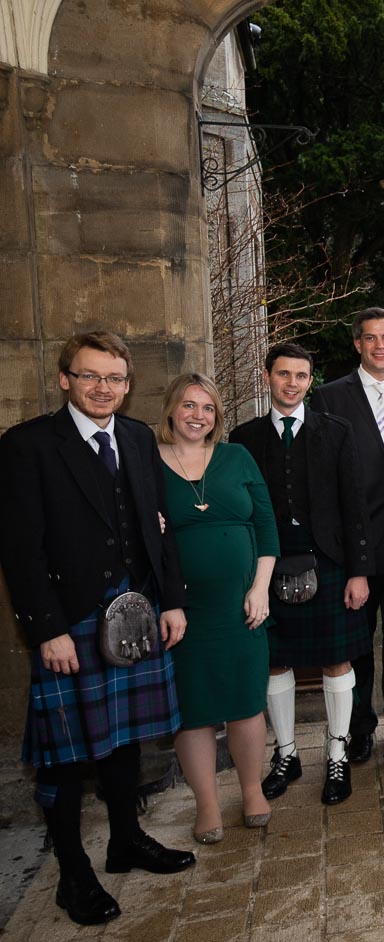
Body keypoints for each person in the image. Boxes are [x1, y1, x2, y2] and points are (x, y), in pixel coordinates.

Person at [0, 331, 195, 927]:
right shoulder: (28, 445)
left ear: (128, 385)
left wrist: (171, 601)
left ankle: (125, 839)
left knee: (123, 738)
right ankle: (72, 872)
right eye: (89, 376)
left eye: (114, 378)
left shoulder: (136, 437)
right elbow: (20, 551)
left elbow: (157, 528)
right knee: (65, 754)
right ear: (66, 379)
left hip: (136, 606)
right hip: (72, 618)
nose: (102, 388)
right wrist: (47, 630)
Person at [230, 343, 373, 805]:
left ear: (311, 381)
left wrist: (358, 572)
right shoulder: (244, 437)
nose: (292, 383)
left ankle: (337, 753)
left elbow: (354, 506)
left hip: (329, 563)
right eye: (283, 374)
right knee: (276, 661)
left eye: (301, 376)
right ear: (267, 376)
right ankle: (287, 754)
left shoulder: (336, 431)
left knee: (337, 660)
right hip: (268, 566)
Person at [157, 374, 278, 843]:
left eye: (207, 408)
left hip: (242, 605)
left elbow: (266, 527)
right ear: (172, 410)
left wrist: (260, 588)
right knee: (194, 707)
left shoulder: (237, 456)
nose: (198, 416)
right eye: (189, 405)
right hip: (182, 611)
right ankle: (206, 803)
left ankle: (251, 791)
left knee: (246, 701)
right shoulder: (147, 463)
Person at [309, 307, 384, 764]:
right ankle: (359, 730)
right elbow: (323, 479)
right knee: (357, 643)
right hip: (355, 545)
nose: (379, 345)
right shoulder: (329, 397)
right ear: (357, 343)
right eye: (370, 338)